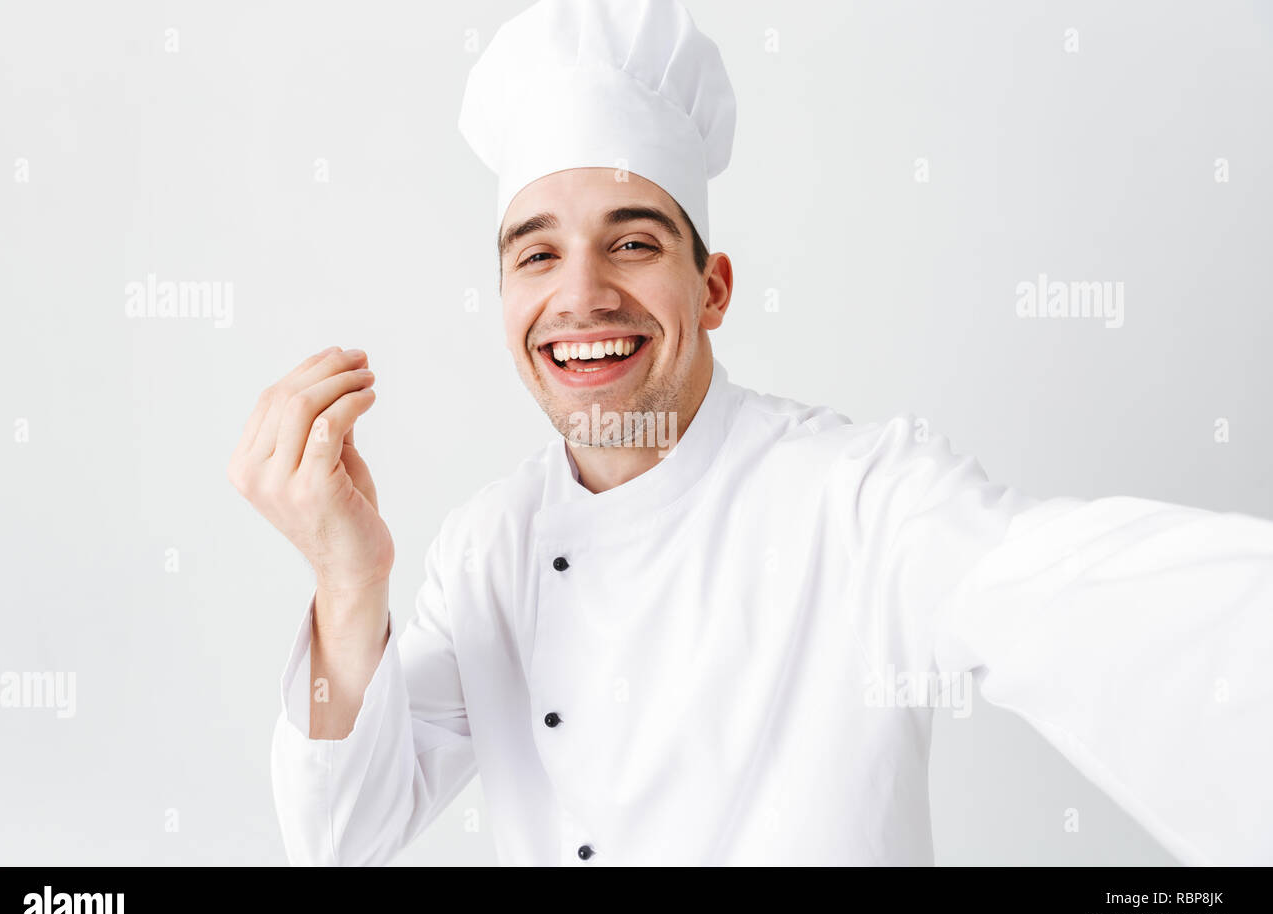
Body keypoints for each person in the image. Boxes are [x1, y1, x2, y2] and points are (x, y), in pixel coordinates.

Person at [227, 0, 1273, 866]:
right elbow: (336, 832)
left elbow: (1089, 595)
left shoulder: (860, 500)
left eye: (631, 241)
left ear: (711, 286)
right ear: (502, 294)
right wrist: (345, 578)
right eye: (535, 255)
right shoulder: (485, 548)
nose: (581, 295)